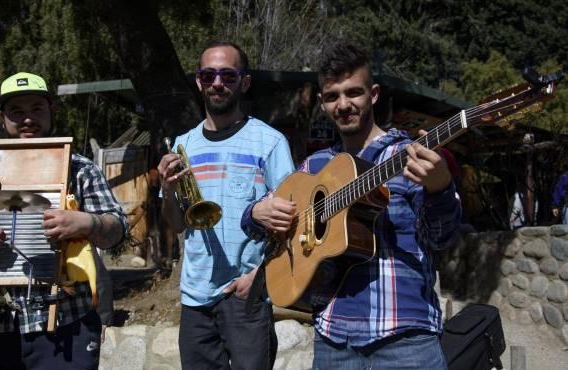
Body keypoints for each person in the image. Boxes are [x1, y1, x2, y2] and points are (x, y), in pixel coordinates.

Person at [241, 40, 462, 369]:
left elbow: (442, 239)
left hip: (405, 338)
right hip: (333, 340)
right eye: (332, 96)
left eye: (353, 93)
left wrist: (440, 188)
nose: (343, 104)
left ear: (372, 94)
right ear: (322, 103)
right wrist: (257, 213)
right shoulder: (312, 167)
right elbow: (257, 223)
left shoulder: (409, 156)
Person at [0, 72, 127, 370]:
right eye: (16, 111)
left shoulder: (80, 169)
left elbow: (118, 229)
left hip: (66, 324)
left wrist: (87, 223)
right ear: (2, 118)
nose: (27, 119)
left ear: (51, 111)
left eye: (36, 109)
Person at [157, 41, 295, 369]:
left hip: (246, 296)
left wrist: (260, 277)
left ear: (244, 83)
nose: (217, 83)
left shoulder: (270, 142)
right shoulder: (182, 144)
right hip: (195, 300)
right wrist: (167, 189)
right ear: (199, 81)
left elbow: (294, 220)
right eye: (209, 75)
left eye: (228, 76)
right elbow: (176, 224)